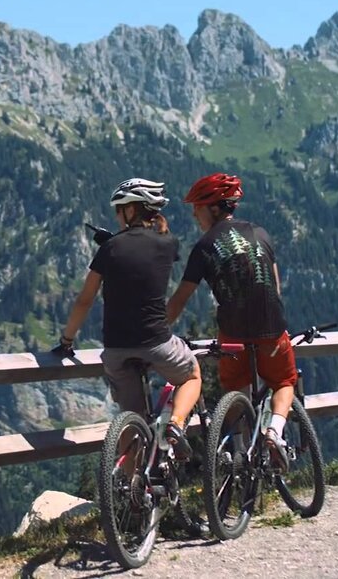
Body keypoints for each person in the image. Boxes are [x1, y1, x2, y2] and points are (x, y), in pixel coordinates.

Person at [55, 178, 203, 459]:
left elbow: (84, 299)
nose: (116, 215)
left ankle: (134, 494)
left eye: (119, 209)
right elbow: (153, 248)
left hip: (115, 348)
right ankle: (175, 425)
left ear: (131, 210)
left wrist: (67, 340)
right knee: (192, 375)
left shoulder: (110, 249)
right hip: (157, 342)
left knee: (129, 417)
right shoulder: (168, 245)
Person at [165, 173, 293, 469]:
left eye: (197, 206)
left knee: (236, 391)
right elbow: (274, 286)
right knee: (284, 381)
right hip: (271, 327)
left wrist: (159, 331)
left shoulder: (203, 246)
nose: (194, 214)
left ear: (213, 207)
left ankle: (239, 452)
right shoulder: (260, 233)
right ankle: (275, 430)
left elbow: (180, 299)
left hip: (233, 334)